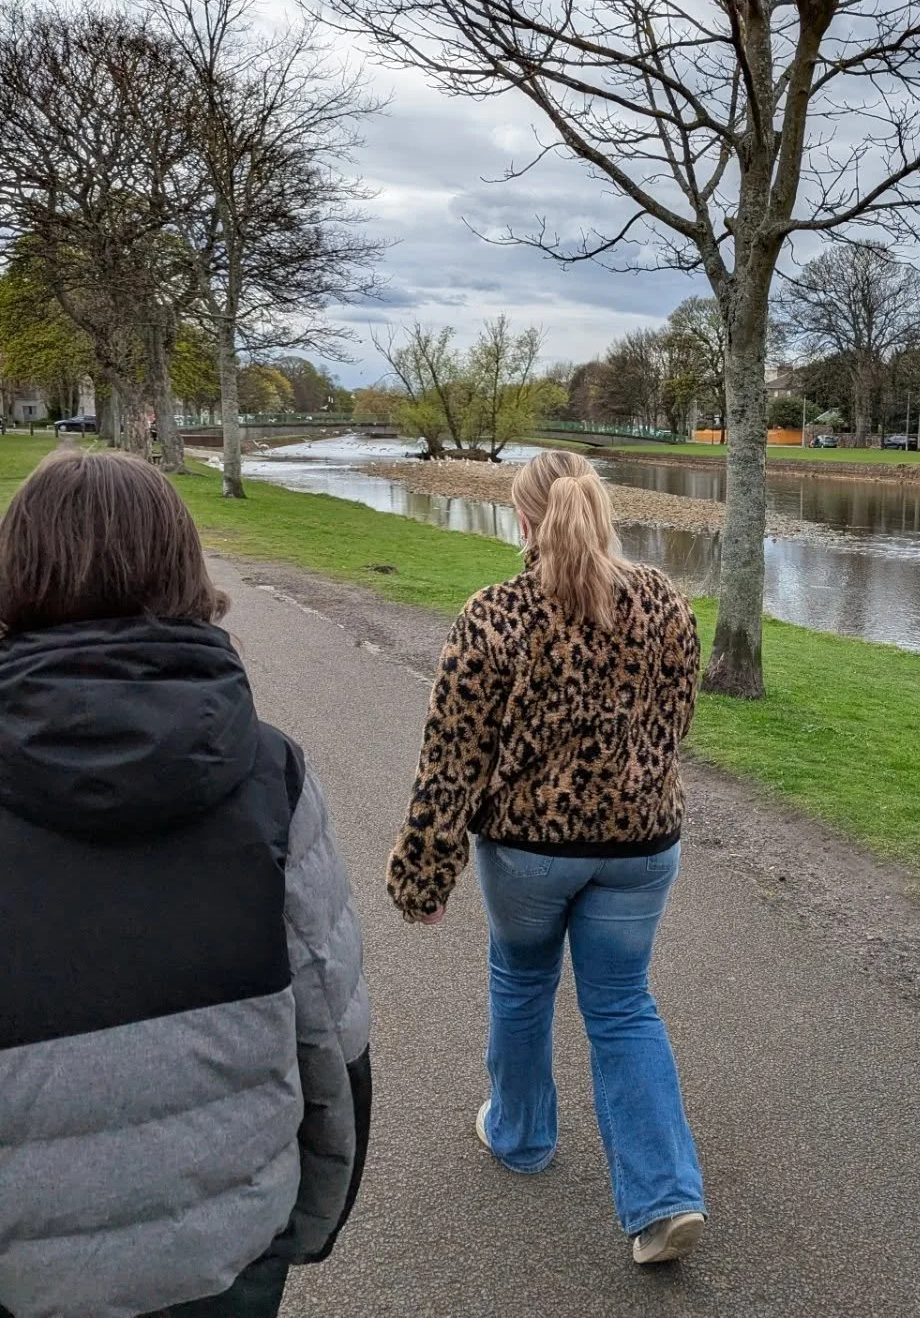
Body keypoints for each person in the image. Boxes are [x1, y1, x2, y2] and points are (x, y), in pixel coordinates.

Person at [0, 450, 371, 1318]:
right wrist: (311, 1220)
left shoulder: (273, 772)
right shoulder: (270, 773)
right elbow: (330, 1031)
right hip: (228, 1242)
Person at [388, 448, 706, 1265]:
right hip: (642, 843)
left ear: (523, 518)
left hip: (531, 849)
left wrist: (425, 876)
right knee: (623, 1004)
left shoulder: (494, 614)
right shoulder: (666, 603)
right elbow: (675, 723)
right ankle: (664, 1198)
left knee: (523, 980)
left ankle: (522, 1135)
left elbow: (450, 761)